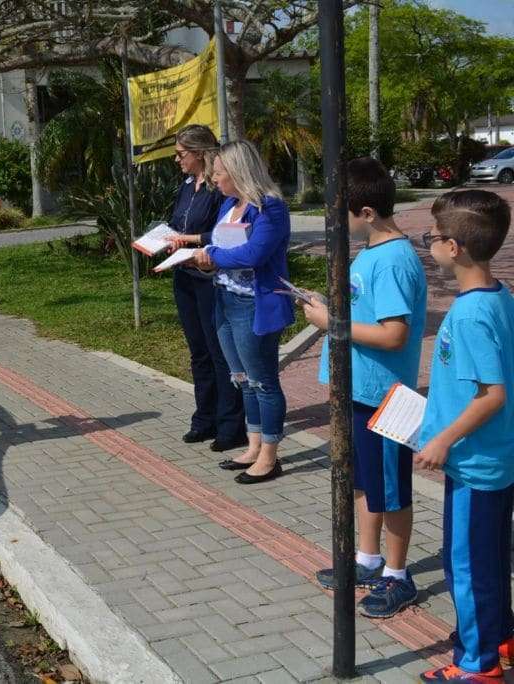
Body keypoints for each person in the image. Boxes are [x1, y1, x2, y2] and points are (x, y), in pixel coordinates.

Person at [301, 158, 427, 619]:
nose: (337, 224)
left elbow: (394, 334)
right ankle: (368, 560)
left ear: (368, 213)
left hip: (387, 400)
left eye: (342, 215)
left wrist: (332, 324)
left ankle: (398, 575)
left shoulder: (392, 259)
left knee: (391, 490)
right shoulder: (374, 253)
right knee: (364, 482)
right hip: (361, 391)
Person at [415, 190, 513, 683]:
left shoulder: (471, 314)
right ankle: (500, 637)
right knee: (490, 561)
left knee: (467, 571)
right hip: (493, 461)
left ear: (454, 248)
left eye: (431, 237)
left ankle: (478, 665)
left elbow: (492, 394)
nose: (428, 245)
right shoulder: (498, 297)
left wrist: (442, 439)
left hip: (474, 466)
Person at [192, 140, 292, 484]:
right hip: (224, 300)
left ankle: (269, 455)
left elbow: (253, 254)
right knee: (242, 380)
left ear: (238, 172)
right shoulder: (229, 205)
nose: (215, 179)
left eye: (218, 173)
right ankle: (252, 446)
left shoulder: (271, 208)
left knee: (263, 382)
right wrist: (206, 259)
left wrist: (210, 257)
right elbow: (218, 247)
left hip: (255, 305)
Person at [164, 124, 246, 451]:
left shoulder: (218, 189)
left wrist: (191, 240)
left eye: (181, 154)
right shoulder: (187, 186)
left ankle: (231, 425)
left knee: (219, 352)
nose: (176, 159)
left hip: (210, 279)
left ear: (199, 153)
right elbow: (178, 223)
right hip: (184, 275)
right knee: (198, 351)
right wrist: (167, 239)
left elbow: (227, 234)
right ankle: (204, 418)